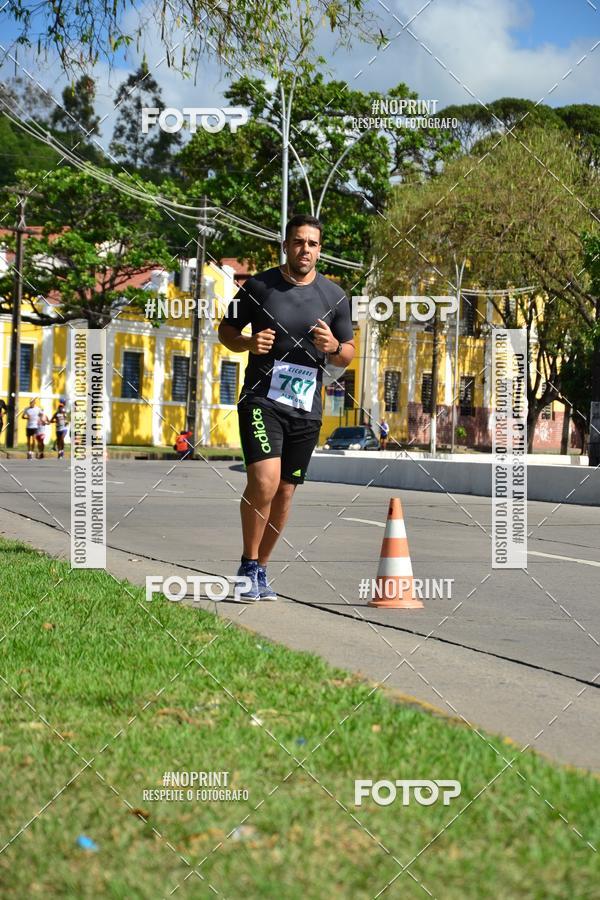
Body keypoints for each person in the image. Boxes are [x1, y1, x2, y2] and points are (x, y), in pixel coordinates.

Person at [218, 214, 355, 601]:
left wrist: (333, 347)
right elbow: (226, 331)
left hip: (306, 408)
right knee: (264, 481)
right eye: (298, 242)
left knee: (285, 492)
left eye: (312, 243)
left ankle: (261, 569)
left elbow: (347, 352)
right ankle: (247, 565)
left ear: (320, 250)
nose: (304, 249)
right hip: (261, 399)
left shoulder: (335, 296)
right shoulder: (259, 287)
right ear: (286, 245)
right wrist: (248, 343)